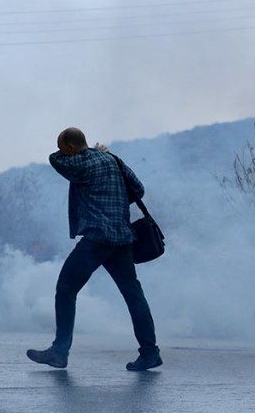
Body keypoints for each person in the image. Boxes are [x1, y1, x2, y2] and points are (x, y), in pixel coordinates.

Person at [26, 127, 162, 371]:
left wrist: (78, 156)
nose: (60, 152)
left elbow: (54, 160)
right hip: (122, 238)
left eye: (62, 147)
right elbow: (138, 189)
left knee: (66, 289)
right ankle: (150, 352)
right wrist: (113, 197)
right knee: (133, 296)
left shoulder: (80, 164)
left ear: (69, 147)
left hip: (97, 239)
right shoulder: (113, 160)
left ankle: (59, 352)